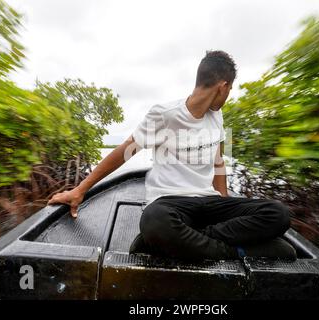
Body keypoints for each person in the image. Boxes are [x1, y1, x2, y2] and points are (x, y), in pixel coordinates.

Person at [47, 50, 296, 262]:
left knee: (278, 214)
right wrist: (80, 190)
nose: (228, 95)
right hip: (170, 204)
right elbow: (125, 151)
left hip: (207, 204)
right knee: (155, 221)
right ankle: (234, 250)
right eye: (230, 89)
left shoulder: (216, 116)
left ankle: (182, 240)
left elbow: (218, 162)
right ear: (223, 87)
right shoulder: (164, 115)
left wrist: (225, 204)